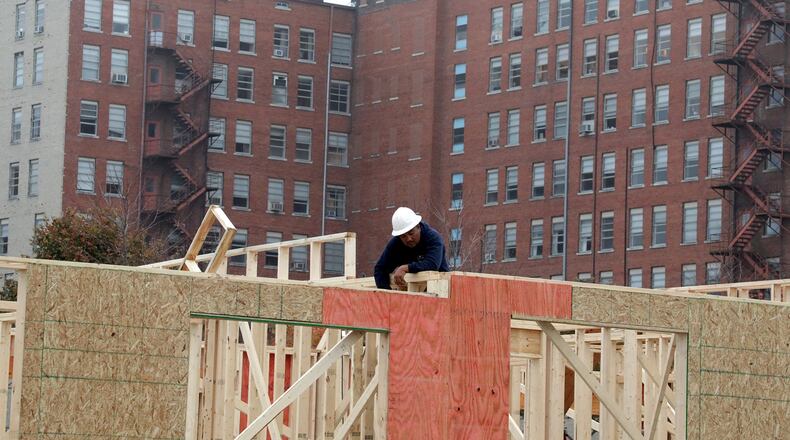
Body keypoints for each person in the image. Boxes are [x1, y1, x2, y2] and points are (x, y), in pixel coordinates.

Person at [374, 207, 450, 290]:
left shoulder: (433, 238)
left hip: (440, 290)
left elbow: (432, 264)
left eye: (411, 233)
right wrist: (387, 296)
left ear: (418, 227)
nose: (408, 239)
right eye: (403, 236)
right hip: (411, 295)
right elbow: (380, 269)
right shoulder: (396, 244)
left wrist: (405, 268)